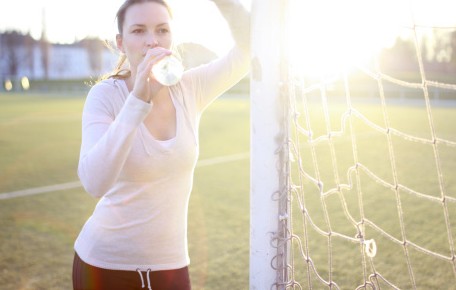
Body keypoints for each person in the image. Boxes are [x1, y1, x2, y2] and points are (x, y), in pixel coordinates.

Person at [72, 0, 250, 289]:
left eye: (162, 30)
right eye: (139, 31)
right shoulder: (104, 96)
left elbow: (248, 51)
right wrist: (137, 101)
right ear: (121, 43)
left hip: (171, 267)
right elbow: (95, 182)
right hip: (104, 267)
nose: (152, 41)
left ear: (172, 37)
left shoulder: (190, 89)